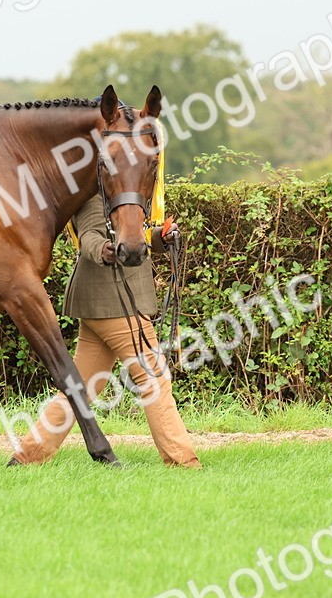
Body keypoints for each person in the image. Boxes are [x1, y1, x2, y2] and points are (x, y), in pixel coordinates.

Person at [10, 194, 201, 468]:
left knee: (83, 387)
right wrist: (103, 249)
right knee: (154, 379)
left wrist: (161, 238)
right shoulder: (94, 196)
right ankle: (182, 462)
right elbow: (89, 235)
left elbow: (133, 237)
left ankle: (28, 457)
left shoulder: (123, 196)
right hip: (114, 302)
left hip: (105, 303)